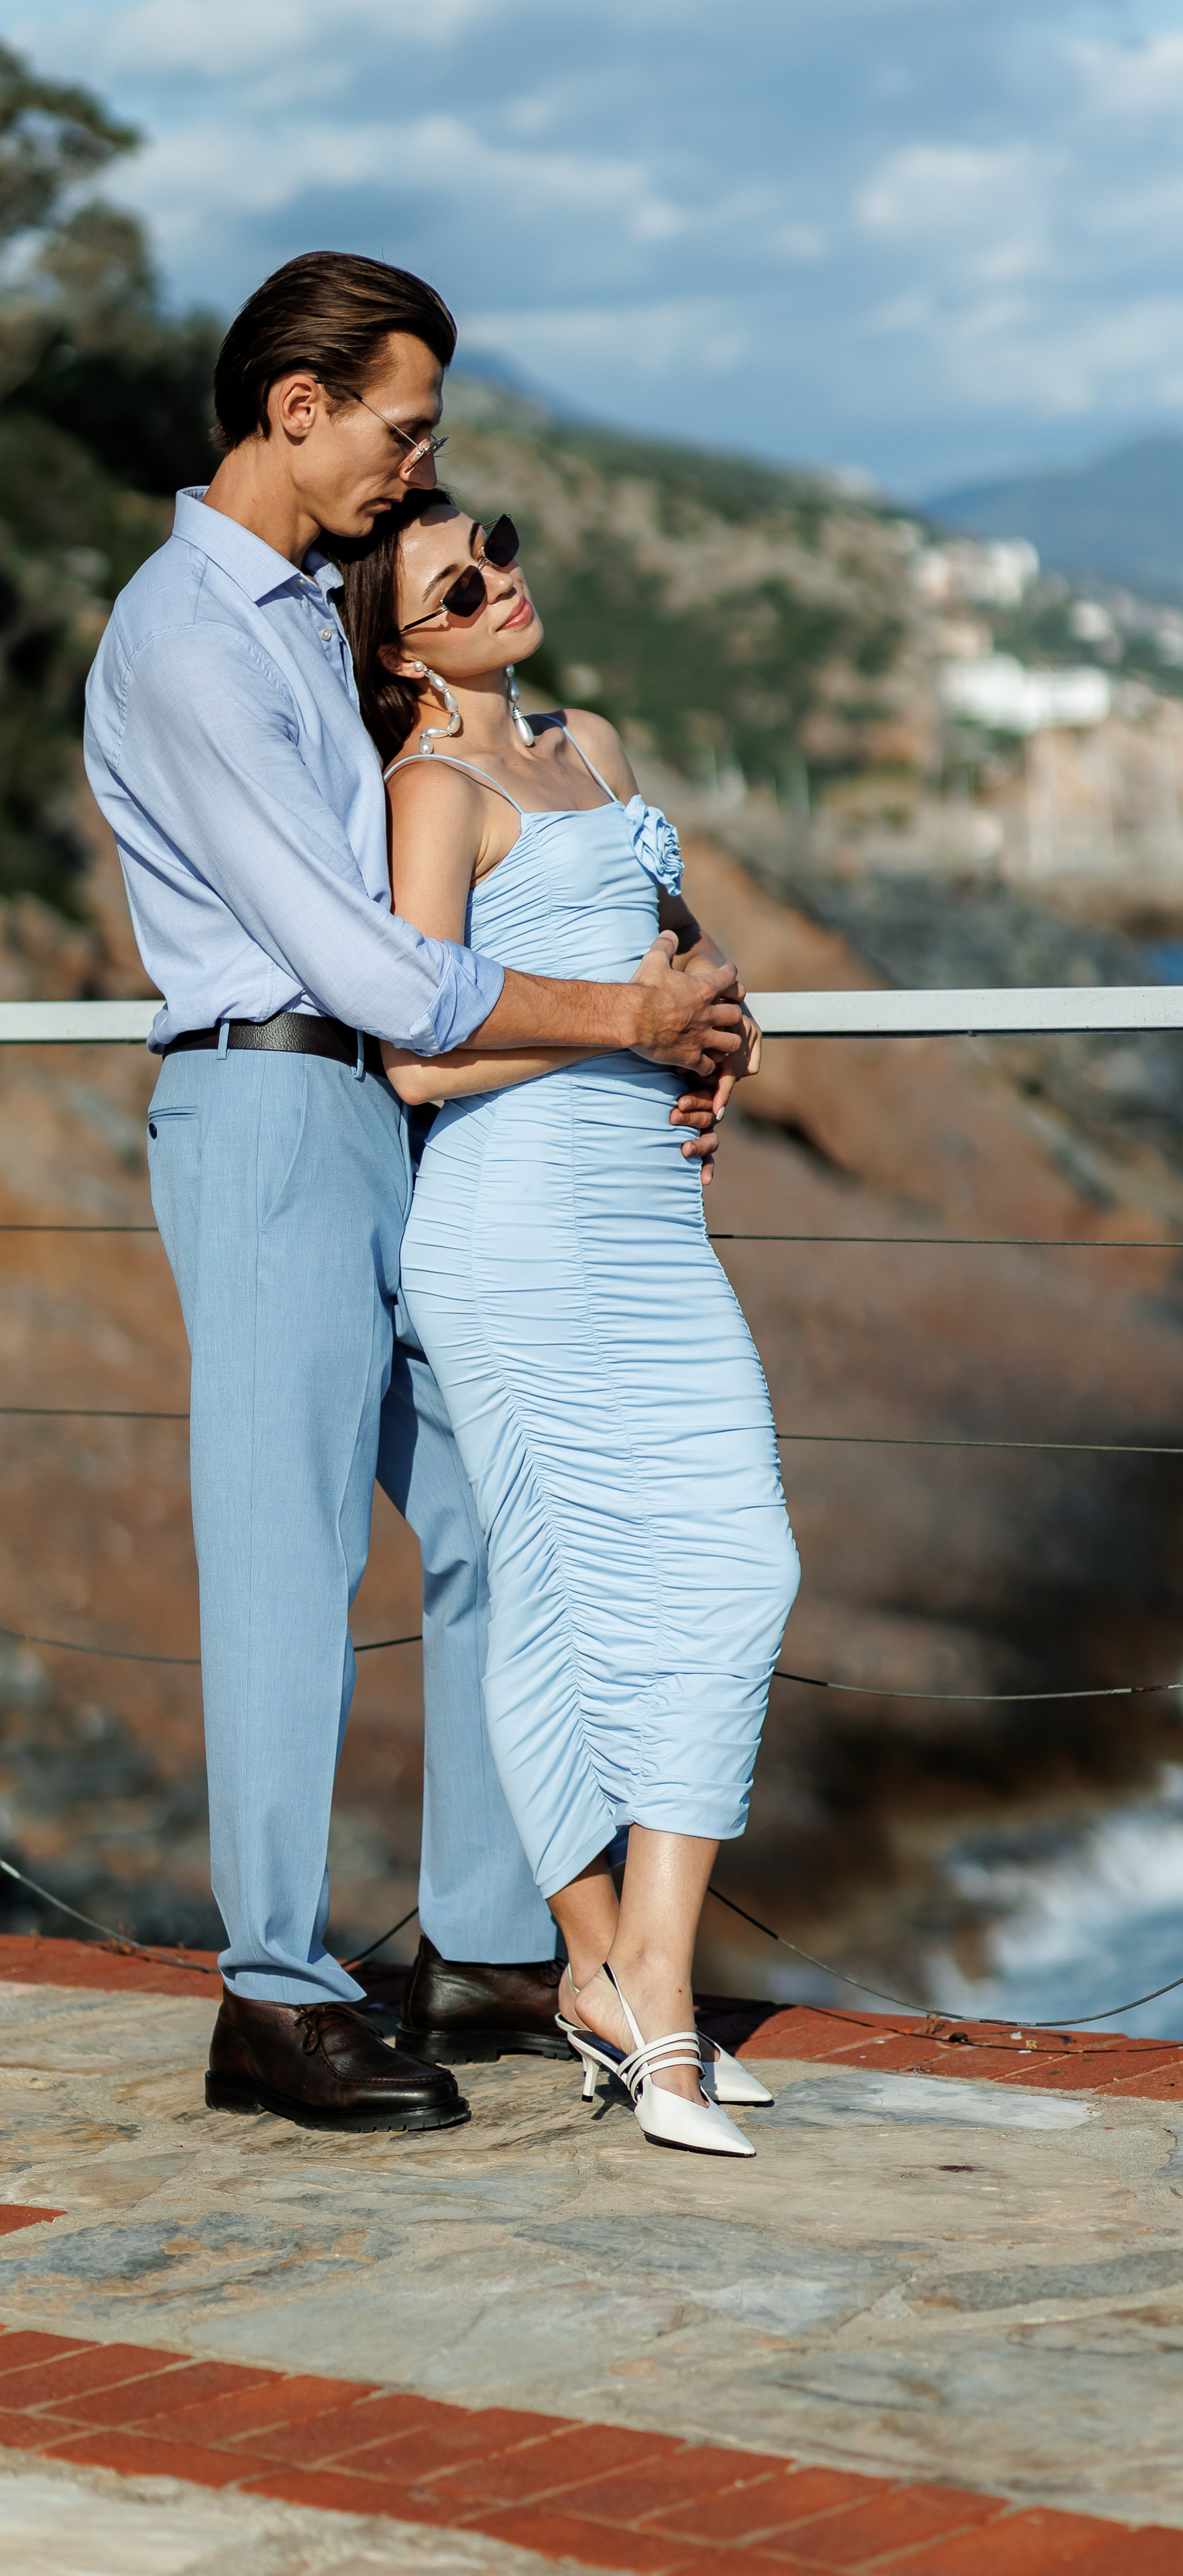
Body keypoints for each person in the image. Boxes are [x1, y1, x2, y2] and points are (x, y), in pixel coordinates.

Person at [82, 252, 748, 2137]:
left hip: (387, 1127)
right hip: (274, 1111)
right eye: (406, 425)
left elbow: (482, 897)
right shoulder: (193, 638)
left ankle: (476, 1928)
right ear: (298, 410)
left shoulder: (308, 610)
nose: (421, 462)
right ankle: (275, 1996)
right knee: (286, 1551)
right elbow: (369, 968)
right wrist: (623, 1019)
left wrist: (665, 1022)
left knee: (488, 1505)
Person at [330, 485, 799, 2157]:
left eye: (500, 551)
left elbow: (659, 953)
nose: (497, 584)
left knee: (738, 1563)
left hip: (647, 1223)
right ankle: (640, 1991)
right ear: (399, 643)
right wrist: (628, 1034)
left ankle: (624, 1981)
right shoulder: (430, 789)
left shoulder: (588, 744)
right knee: (546, 1589)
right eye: (456, 585)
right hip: (514, 1226)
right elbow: (417, 1055)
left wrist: (708, 1021)